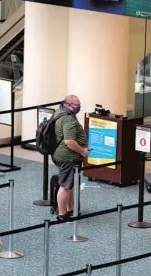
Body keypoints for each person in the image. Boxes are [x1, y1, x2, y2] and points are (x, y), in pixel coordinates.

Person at [52, 94, 89, 222]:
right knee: (65, 186)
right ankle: (62, 214)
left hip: (60, 154)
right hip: (68, 157)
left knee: (69, 184)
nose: (79, 107)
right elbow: (69, 141)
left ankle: (70, 209)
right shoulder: (68, 119)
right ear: (68, 105)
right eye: (76, 105)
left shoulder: (59, 112)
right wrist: (82, 151)